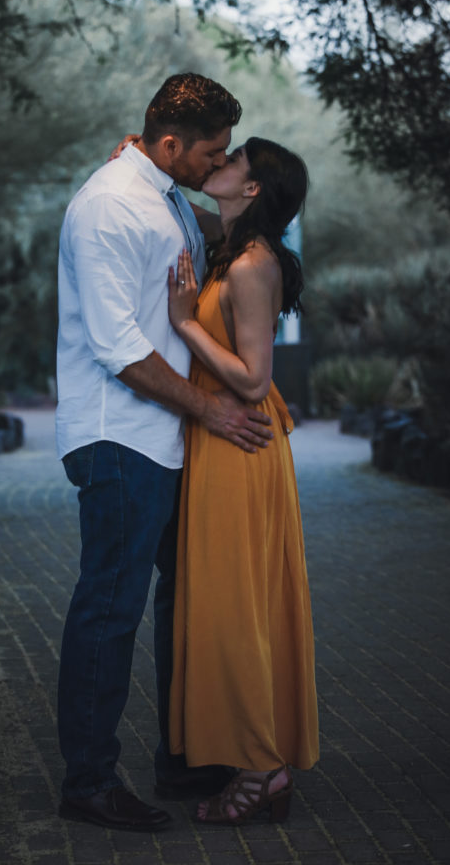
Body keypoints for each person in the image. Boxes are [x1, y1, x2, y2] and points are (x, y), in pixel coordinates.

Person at [54, 74, 275, 833]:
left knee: (188, 599)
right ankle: (87, 781)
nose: (216, 164)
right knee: (109, 608)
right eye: (209, 151)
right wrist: (211, 408)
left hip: (166, 437)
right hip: (119, 435)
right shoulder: (112, 204)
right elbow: (119, 348)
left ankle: (185, 758)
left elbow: (216, 254)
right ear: (171, 144)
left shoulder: (164, 193)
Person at [166, 137, 320, 825]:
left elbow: (255, 378)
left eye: (230, 163)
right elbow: (173, 198)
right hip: (221, 437)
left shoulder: (252, 266)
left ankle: (261, 769)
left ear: (251, 189)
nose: (216, 166)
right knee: (230, 603)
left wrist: (181, 324)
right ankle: (260, 762)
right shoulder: (230, 245)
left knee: (236, 606)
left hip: (241, 441)